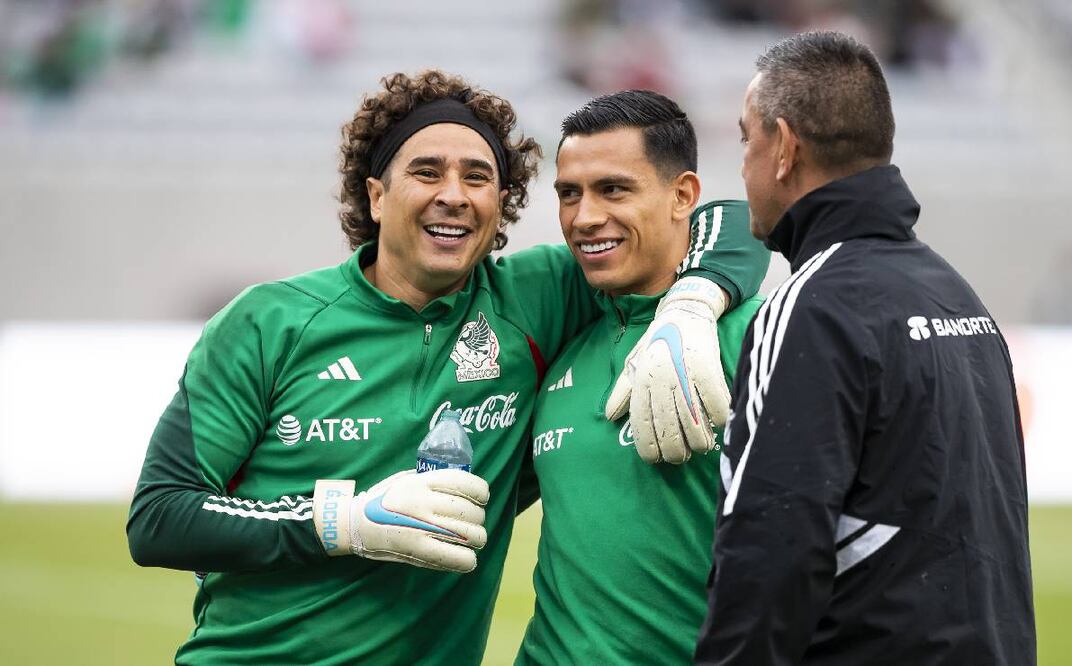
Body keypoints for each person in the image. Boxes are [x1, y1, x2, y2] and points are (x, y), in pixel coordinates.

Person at [125, 70, 762, 665]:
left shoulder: (538, 299)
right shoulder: (270, 321)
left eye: (478, 177)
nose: (453, 196)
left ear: (502, 203)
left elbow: (717, 221)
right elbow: (160, 517)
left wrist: (692, 303)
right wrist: (342, 521)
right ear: (376, 196)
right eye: (427, 172)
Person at [695, 31, 1036, 665]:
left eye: (747, 137)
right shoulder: (957, 297)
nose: (741, 162)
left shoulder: (809, 307)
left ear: (785, 148)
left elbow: (769, 549)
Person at [514, 90, 769, 665]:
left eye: (613, 189)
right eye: (568, 194)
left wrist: (694, 303)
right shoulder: (563, 343)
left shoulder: (760, 337)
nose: (584, 217)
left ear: (683, 196)